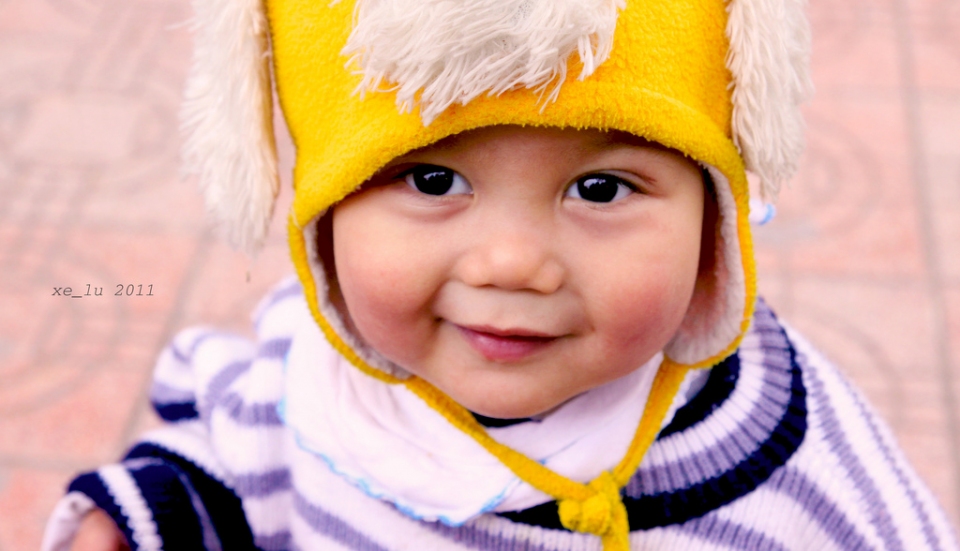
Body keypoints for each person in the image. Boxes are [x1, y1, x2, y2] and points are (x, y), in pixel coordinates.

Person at [42, 0, 960, 549]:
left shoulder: (792, 461)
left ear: (715, 223)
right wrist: (141, 517)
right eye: (432, 180)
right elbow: (237, 463)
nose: (511, 262)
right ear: (325, 216)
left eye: (600, 188)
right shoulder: (314, 376)